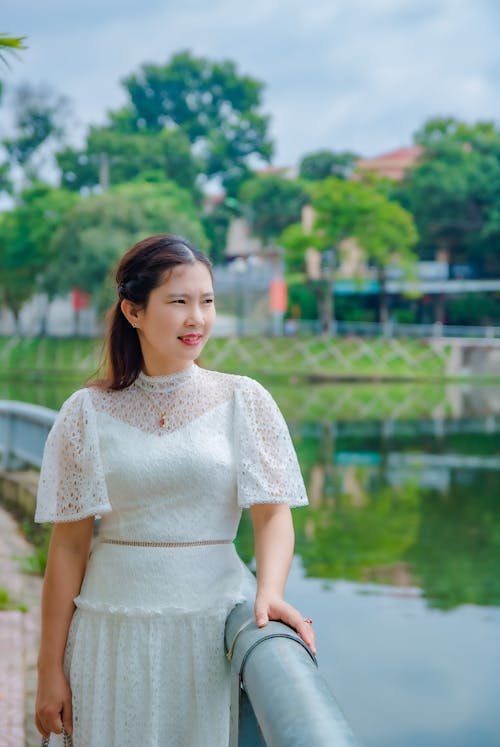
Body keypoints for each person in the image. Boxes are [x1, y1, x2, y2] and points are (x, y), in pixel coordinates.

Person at [34, 234, 315, 746]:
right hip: (108, 633)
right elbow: (69, 546)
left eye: (207, 301)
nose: (197, 318)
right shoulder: (86, 412)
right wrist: (48, 670)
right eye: (179, 301)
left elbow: (273, 515)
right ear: (133, 312)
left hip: (210, 630)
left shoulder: (243, 400)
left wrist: (270, 591)